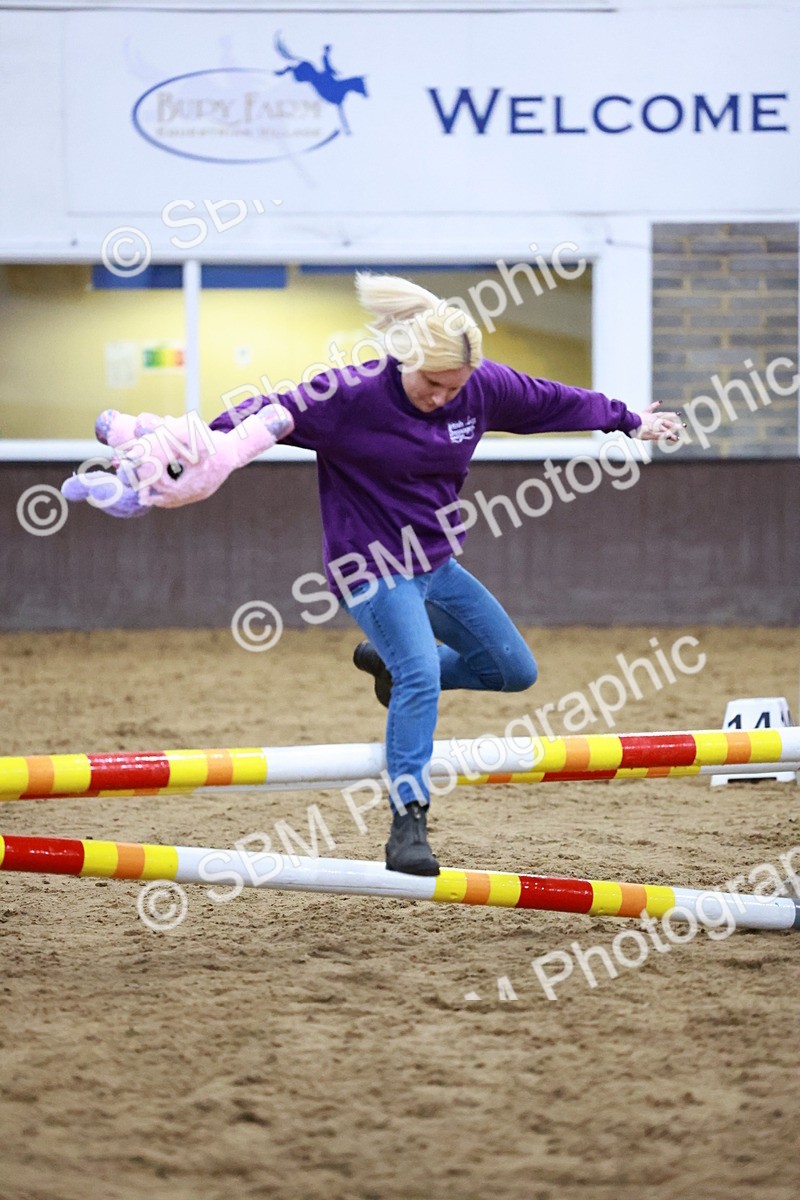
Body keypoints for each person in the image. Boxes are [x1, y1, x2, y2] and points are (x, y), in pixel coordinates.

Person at [210, 273, 683, 877]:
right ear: (405, 359)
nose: (441, 397)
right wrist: (187, 448)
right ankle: (408, 820)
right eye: (431, 384)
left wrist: (627, 420)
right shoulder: (348, 395)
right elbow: (258, 415)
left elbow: (550, 401)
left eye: (453, 388)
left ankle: (391, 664)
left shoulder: (480, 387)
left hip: (435, 564)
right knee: (422, 674)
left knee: (513, 670)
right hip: (368, 568)